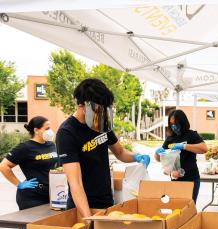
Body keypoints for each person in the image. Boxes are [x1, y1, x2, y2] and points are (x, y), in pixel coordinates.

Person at [56, 78, 150, 218]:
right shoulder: (67, 132)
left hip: (106, 201)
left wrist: (136, 156)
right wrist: (88, 218)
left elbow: (120, 152)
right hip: (83, 207)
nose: (100, 115)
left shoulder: (101, 124)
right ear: (81, 105)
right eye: (98, 110)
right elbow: (75, 183)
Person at [0, 116, 57, 229]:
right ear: (36, 130)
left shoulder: (51, 145)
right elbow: (4, 166)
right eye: (46, 128)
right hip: (31, 197)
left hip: (51, 196)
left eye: (50, 127)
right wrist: (19, 184)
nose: (50, 131)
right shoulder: (25, 148)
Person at [155, 109, 208, 201]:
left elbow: (204, 149)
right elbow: (159, 159)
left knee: (189, 207)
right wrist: (157, 153)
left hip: (191, 178)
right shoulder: (170, 139)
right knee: (177, 207)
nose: (174, 126)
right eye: (171, 124)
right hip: (176, 178)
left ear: (182, 122)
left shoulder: (191, 135)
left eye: (176, 123)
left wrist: (184, 146)